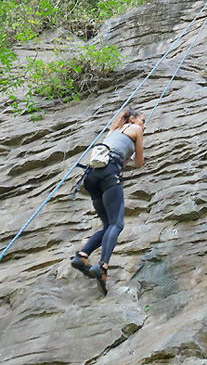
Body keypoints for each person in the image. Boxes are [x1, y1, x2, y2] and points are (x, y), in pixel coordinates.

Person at [71, 107, 145, 295]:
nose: (145, 126)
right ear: (134, 120)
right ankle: (102, 266)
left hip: (91, 177)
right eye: (143, 121)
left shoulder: (112, 131)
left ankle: (82, 256)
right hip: (108, 175)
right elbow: (139, 163)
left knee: (107, 226)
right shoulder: (135, 130)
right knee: (116, 224)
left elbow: (122, 159)